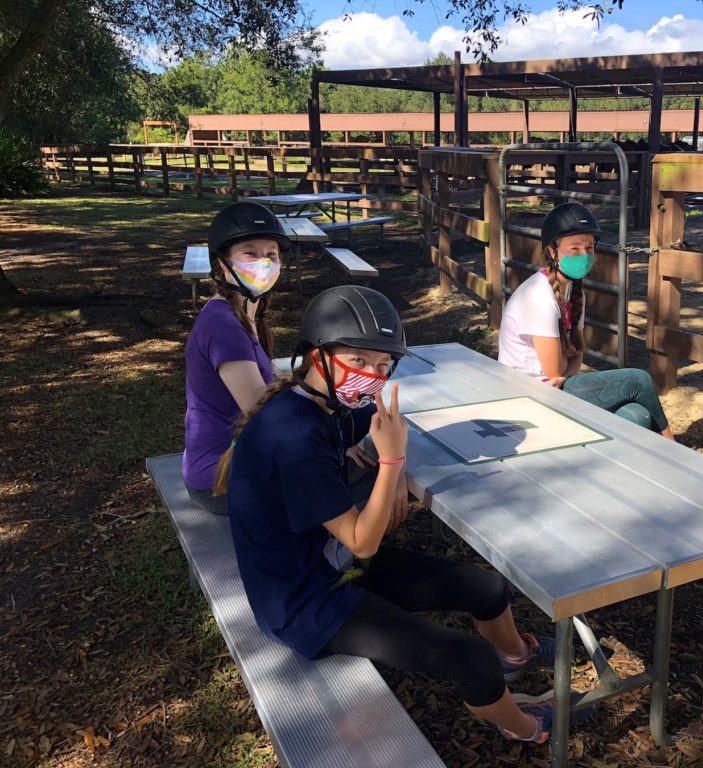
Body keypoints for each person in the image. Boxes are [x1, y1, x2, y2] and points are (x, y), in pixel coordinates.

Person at [214, 285, 592, 743]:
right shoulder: (292, 437)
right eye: (358, 361)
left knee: (484, 586)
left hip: (334, 566)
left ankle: (514, 657)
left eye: (382, 365)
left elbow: (389, 422)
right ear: (316, 356)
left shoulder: (324, 401)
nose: (371, 376)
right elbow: (362, 540)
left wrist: (395, 463)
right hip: (306, 604)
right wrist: (390, 466)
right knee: (470, 659)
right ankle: (529, 729)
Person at [498, 202, 674, 440]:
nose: (584, 255)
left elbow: (576, 356)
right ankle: (673, 447)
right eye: (574, 248)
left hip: (557, 389)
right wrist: (564, 372)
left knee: (637, 416)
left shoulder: (576, 292)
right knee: (639, 380)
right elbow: (554, 371)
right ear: (552, 252)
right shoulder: (539, 297)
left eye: (589, 247)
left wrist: (566, 375)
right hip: (531, 395)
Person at [182, 201, 290, 515]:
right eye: (250, 253)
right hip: (220, 480)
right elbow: (264, 414)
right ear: (222, 264)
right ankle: (339, 555)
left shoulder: (245, 315)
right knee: (351, 474)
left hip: (235, 462)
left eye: (271, 254)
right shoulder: (224, 325)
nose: (264, 263)